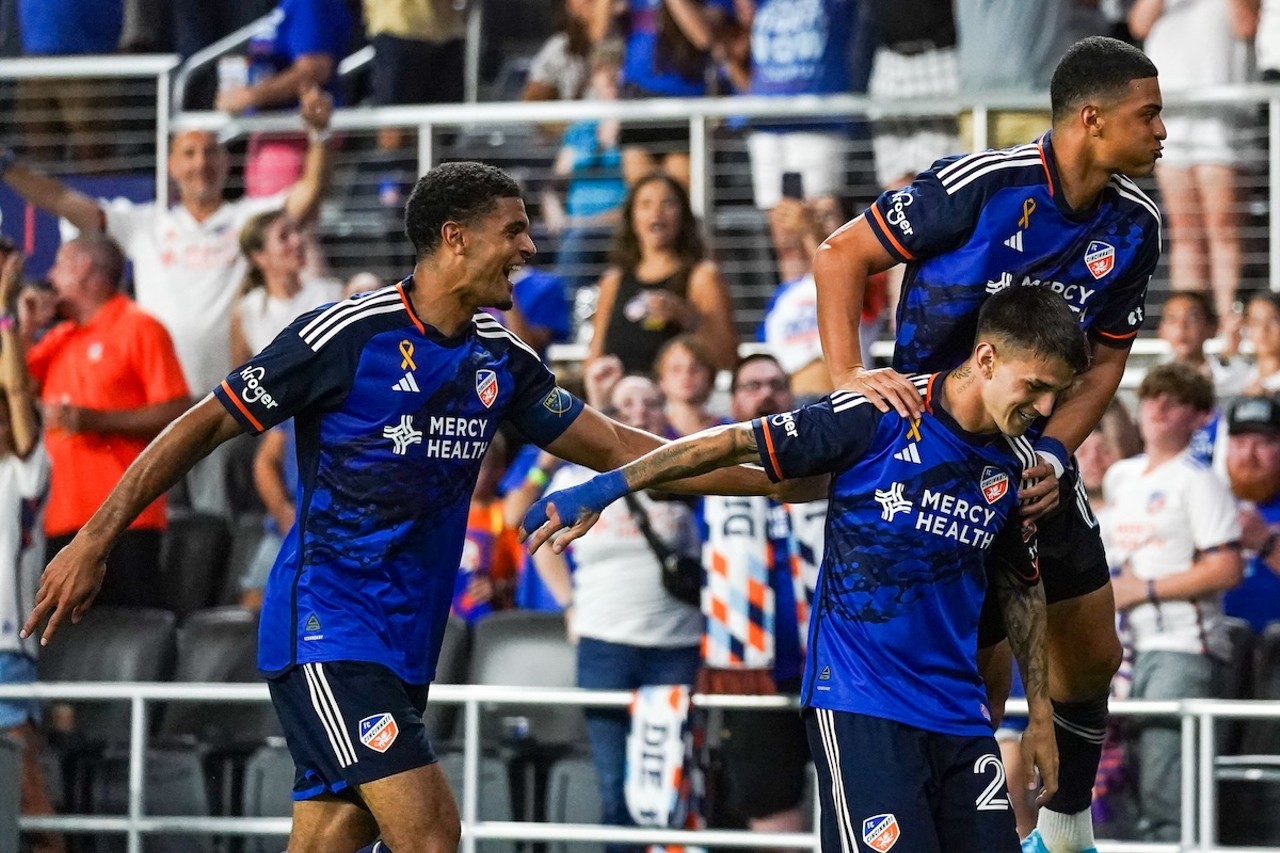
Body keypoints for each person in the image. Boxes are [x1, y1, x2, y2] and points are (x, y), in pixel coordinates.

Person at [19, 162, 795, 853]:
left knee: (335, 832)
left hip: (407, 637)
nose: (530, 247)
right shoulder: (347, 335)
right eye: (513, 230)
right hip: (327, 622)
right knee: (431, 832)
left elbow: (628, 450)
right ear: (455, 238)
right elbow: (207, 419)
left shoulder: (503, 358)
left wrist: (778, 474)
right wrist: (95, 536)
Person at [524, 285, 1089, 852]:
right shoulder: (882, 413)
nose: (1044, 410)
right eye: (1035, 387)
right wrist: (606, 487)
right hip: (862, 704)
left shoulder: (1017, 463)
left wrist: (1040, 715)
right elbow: (732, 442)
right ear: (986, 358)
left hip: (958, 715)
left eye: (1054, 396)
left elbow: (1020, 585)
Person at [811, 35, 1165, 853]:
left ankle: (1067, 829)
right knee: (980, 671)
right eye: (1148, 115)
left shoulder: (1136, 225)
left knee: (1095, 647)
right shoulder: (979, 186)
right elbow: (840, 256)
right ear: (1090, 118)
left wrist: (1053, 454)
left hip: (1029, 456)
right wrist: (846, 380)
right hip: (931, 451)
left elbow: (1109, 355)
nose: (1161, 132)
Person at [0, 90, 333, 515]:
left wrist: (320, 135)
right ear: (172, 165)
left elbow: (307, 195)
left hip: (225, 409)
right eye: (189, 153)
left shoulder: (246, 220)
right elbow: (66, 202)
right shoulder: (146, 225)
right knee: (166, 526)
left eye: (211, 151)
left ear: (225, 161)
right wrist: (8, 167)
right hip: (156, 417)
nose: (201, 162)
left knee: (217, 531)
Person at [529, 374, 703, 846]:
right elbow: (536, 539)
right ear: (611, 412)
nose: (639, 412)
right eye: (627, 404)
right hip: (605, 644)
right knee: (613, 783)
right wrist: (568, 603)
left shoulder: (683, 473)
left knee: (675, 785)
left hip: (677, 645)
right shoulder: (573, 479)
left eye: (650, 401)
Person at [1102, 363, 1243, 842]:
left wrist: (1145, 589)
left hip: (1182, 644)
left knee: (1165, 771)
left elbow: (1227, 568)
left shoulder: (1199, 481)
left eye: (1175, 401)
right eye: (1152, 397)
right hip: (1122, 646)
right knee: (1121, 773)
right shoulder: (1122, 477)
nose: (1158, 408)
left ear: (1200, 417)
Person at [19, 234, 191, 609]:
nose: (50, 275)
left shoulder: (140, 326)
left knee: (134, 634)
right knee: (64, 643)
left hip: (126, 517)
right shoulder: (58, 338)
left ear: (83, 269)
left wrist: (97, 420)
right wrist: (26, 329)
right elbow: (15, 390)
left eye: (59, 265)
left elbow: (179, 410)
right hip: (60, 516)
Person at [701, 353, 823, 843]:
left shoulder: (828, 453)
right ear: (733, 399)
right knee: (771, 804)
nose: (765, 394)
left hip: (832, 655)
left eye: (776, 384)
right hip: (747, 665)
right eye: (752, 385)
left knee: (852, 798)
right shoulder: (706, 459)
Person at [1128, 0, 1259, 325]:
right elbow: (1138, 25)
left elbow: (1247, 25)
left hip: (1224, 113)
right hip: (1174, 112)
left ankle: (1229, 324)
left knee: (1224, 227)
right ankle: (1189, 325)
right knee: (1185, 232)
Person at [0, 250, 63, 853]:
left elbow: (18, 389)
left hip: (4, 654)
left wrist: (3, 313)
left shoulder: (24, 472)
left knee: (27, 799)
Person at [587, 172, 738, 373]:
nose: (656, 213)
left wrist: (685, 317)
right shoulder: (613, 280)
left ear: (683, 216)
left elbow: (726, 358)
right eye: (646, 204)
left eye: (668, 204)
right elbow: (594, 357)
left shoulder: (702, 276)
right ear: (631, 217)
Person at [215, 0, 352, 197]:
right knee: (261, 217)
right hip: (272, 130)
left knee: (278, 221)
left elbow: (315, 68)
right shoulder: (287, 5)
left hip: (295, 131)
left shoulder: (310, 4)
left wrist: (251, 96)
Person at [231, 208, 343, 366]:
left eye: (297, 231)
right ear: (259, 257)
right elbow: (240, 381)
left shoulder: (332, 294)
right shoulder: (247, 312)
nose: (297, 240)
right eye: (284, 237)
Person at [1221, 394, 1280, 633]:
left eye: (1263, 443)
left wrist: (1267, 544)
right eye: (1239, 443)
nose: (1248, 455)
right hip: (1220, 650)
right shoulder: (1208, 500)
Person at [654, 335, 719, 436]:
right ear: (661, 380)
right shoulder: (653, 429)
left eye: (695, 369)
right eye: (676, 369)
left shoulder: (729, 429)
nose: (686, 375)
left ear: (711, 377)